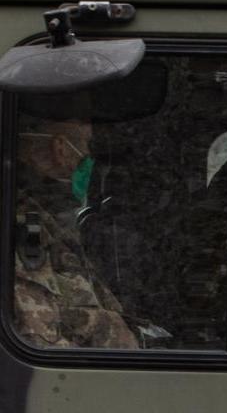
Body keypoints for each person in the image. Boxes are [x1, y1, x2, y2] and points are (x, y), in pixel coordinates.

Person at [11, 113, 135, 349]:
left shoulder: (48, 219)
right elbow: (39, 339)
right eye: (87, 145)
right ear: (61, 149)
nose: (90, 159)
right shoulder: (22, 224)